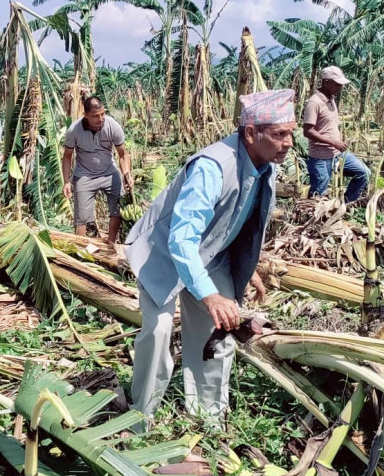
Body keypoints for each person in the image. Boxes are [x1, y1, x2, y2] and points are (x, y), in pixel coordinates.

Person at [125, 89, 296, 423]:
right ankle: (140, 418)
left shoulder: (266, 167)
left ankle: (208, 418)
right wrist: (210, 296)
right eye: (279, 134)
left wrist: (248, 268)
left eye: (290, 133)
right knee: (159, 333)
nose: (288, 142)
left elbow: (234, 220)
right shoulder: (212, 167)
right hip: (163, 254)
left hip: (210, 256)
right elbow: (181, 240)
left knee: (219, 334)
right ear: (250, 133)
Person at [62, 96, 132, 244]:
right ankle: (80, 248)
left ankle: (110, 242)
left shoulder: (112, 125)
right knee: (80, 216)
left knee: (117, 208)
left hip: (109, 171)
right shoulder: (74, 130)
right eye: (95, 116)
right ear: (85, 115)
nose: (100, 119)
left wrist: (127, 174)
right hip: (84, 175)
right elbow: (67, 156)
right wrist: (66, 182)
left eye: (102, 114)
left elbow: (123, 154)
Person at [303, 66, 369, 204]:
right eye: (337, 84)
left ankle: (345, 204)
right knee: (318, 194)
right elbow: (307, 131)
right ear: (326, 82)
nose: (340, 88)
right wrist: (333, 142)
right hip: (320, 157)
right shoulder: (314, 102)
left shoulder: (331, 99)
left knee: (364, 173)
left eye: (341, 85)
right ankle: (312, 220)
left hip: (337, 154)